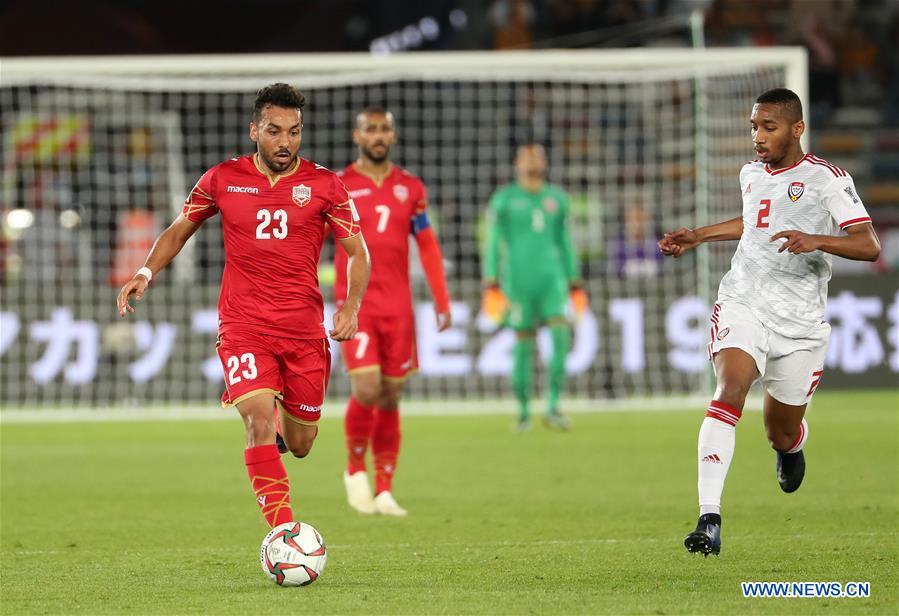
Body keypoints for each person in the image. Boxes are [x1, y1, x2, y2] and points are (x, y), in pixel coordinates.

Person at [116, 83, 371, 529]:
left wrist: (351, 306)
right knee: (255, 420)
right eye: (275, 131)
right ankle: (283, 531)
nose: (285, 142)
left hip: (304, 333)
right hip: (244, 327)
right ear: (255, 130)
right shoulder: (222, 179)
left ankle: (279, 432)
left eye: (294, 132)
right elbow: (179, 229)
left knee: (303, 442)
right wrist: (145, 272)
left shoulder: (326, 185)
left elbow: (358, 253)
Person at [658, 88, 880, 556]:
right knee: (729, 389)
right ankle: (709, 518)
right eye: (754, 127)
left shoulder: (828, 181)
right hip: (744, 301)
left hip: (800, 323)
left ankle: (792, 445)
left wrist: (816, 240)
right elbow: (754, 223)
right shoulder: (751, 174)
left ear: (796, 129)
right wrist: (699, 235)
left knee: (778, 430)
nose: (758, 137)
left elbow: (868, 245)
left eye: (769, 127)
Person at [334, 107, 452, 516]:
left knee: (390, 395)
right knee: (366, 388)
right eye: (371, 129)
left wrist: (441, 299)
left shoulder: (411, 188)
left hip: (399, 307)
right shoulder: (340, 186)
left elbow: (428, 246)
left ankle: (384, 488)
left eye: (385, 129)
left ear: (394, 136)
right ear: (357, 136)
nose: (378, 136)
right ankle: (354, 470)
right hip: (357, 304)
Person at [481, 143, 586, 431]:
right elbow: (492, 242)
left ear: (545, 161)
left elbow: (565, 242)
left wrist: (574, 281)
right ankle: (524, 410)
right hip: (517, 283)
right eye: (526, 157)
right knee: (523, 347)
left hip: (552, 282)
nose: (532, 161)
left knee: (561, 338)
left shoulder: (557, 199)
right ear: (516, 162)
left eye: (537, 156)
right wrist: (491, 281)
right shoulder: (504, 200)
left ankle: (552, 405)